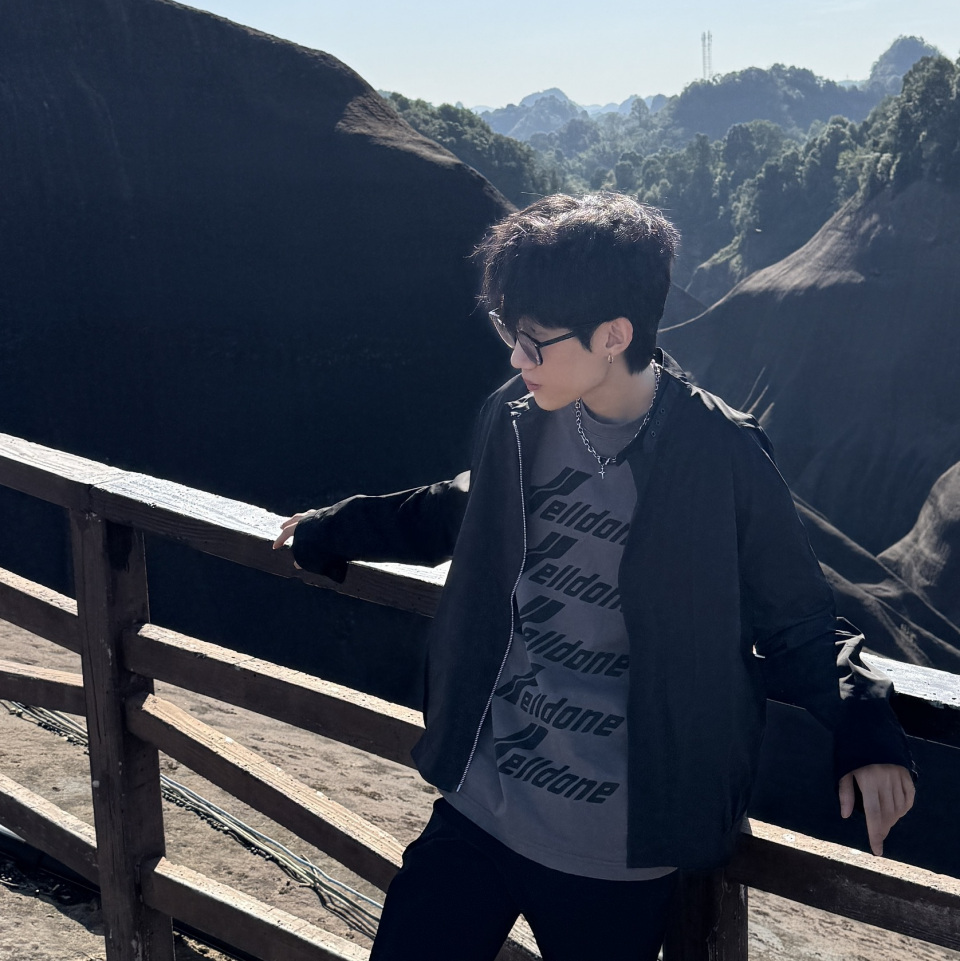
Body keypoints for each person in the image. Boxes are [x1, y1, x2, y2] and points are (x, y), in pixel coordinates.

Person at [273, 193, 915, 961]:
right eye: (509, 334)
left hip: (615, 851)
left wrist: (866, 728)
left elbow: (799, 620)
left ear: (613, 335)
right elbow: (463, 506)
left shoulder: (721, 455)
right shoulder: (519, 415)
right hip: (481, 804)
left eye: (534, 342)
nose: (517, 359)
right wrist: (333, 529)